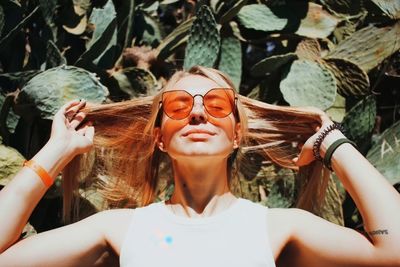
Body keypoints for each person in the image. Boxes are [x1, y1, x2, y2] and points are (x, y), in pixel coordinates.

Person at [0, 66, 399, 267]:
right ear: (159, 137)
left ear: (236, 134)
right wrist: (58, 150)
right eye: (178, 105)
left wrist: (333, 141)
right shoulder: (122, 227)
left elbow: (393, 250)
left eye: (216, 104)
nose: (196, 114)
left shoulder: (278, 226)